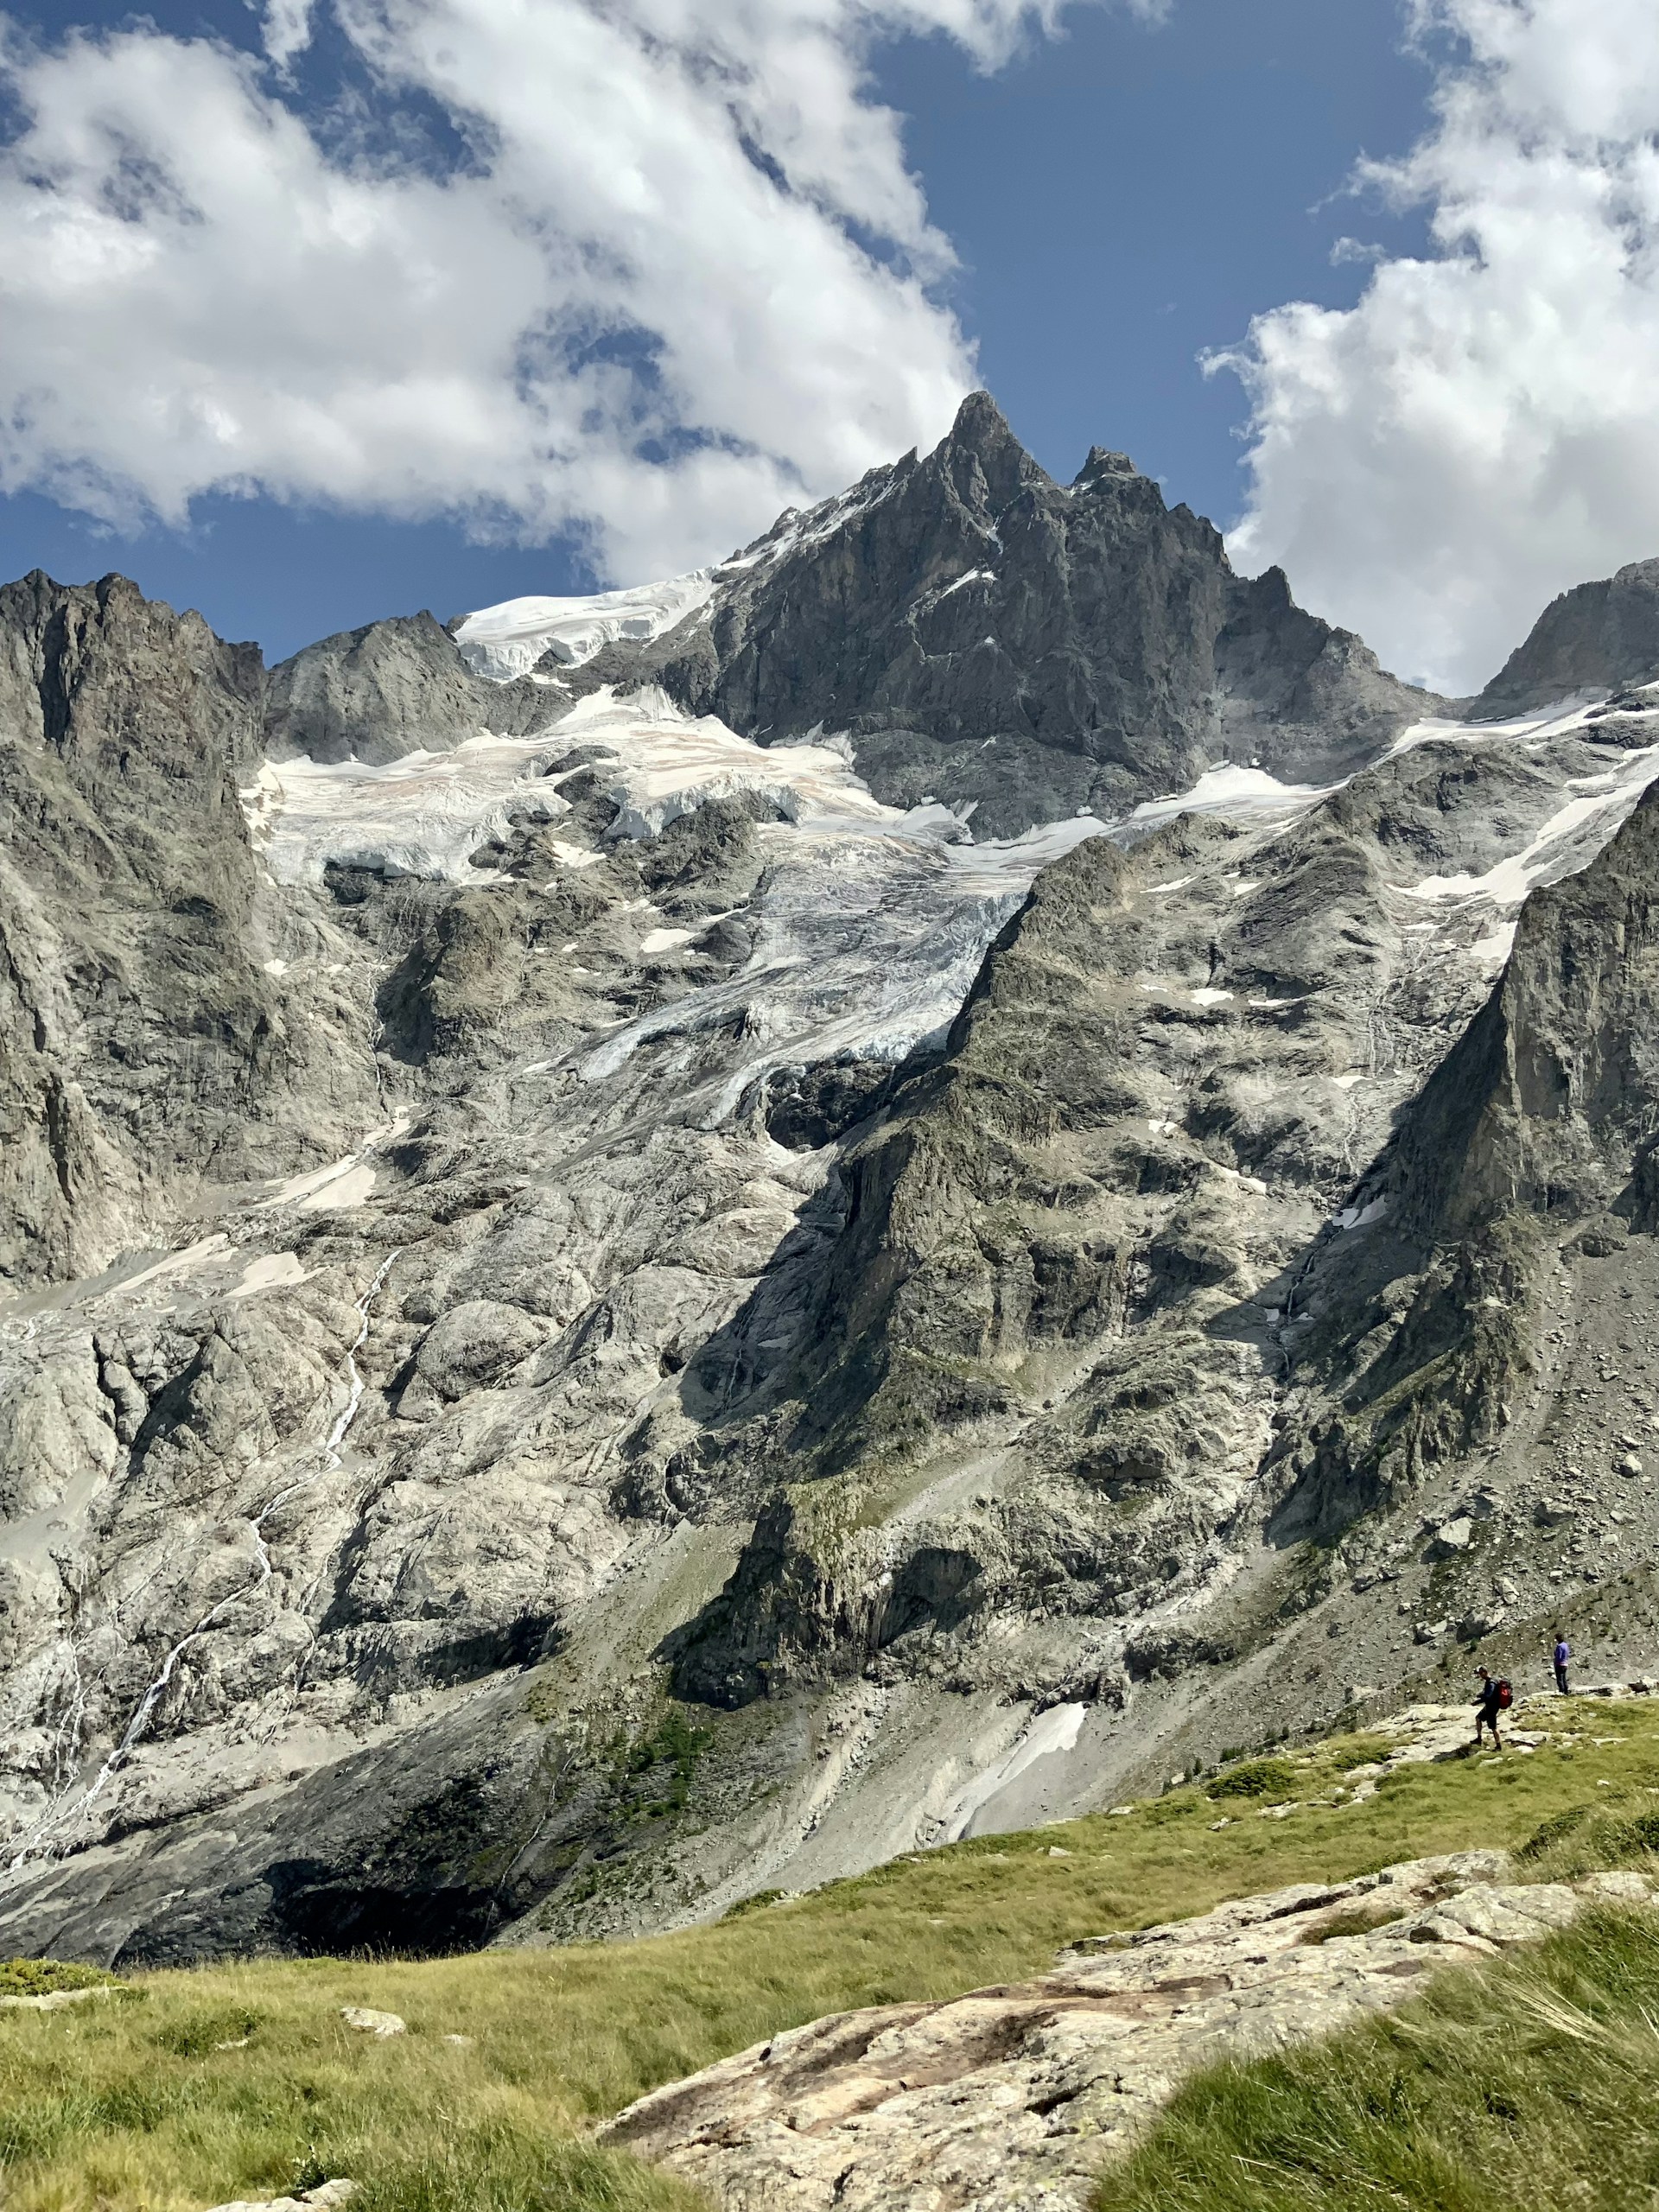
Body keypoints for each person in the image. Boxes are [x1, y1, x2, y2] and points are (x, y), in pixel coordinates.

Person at [1473, 1667, 1505, 1749]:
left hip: (1492, 1707)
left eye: (1481, 1673)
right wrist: (1480, 1695)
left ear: (1485, 1672)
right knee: (1478, 1718)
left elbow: (1488, 1696)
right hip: (1490, 1706)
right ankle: (1479, 1738)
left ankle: (1498, 1745)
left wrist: (1477, 1702)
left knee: (1493, 1727)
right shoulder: (1492, 1680)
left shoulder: (1491, 1683)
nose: (1480, 1675)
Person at [1553, 1631, 1571, 1696]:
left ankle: (1562, 1692)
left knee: (1559, 1679)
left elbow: (1558, 1656)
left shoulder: (1559, 1646)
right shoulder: (1565, 1645)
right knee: (1564, 1678)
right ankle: (1566, 1691)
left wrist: (1556, 1662)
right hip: (1565, 1663)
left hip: (1560, 1664)